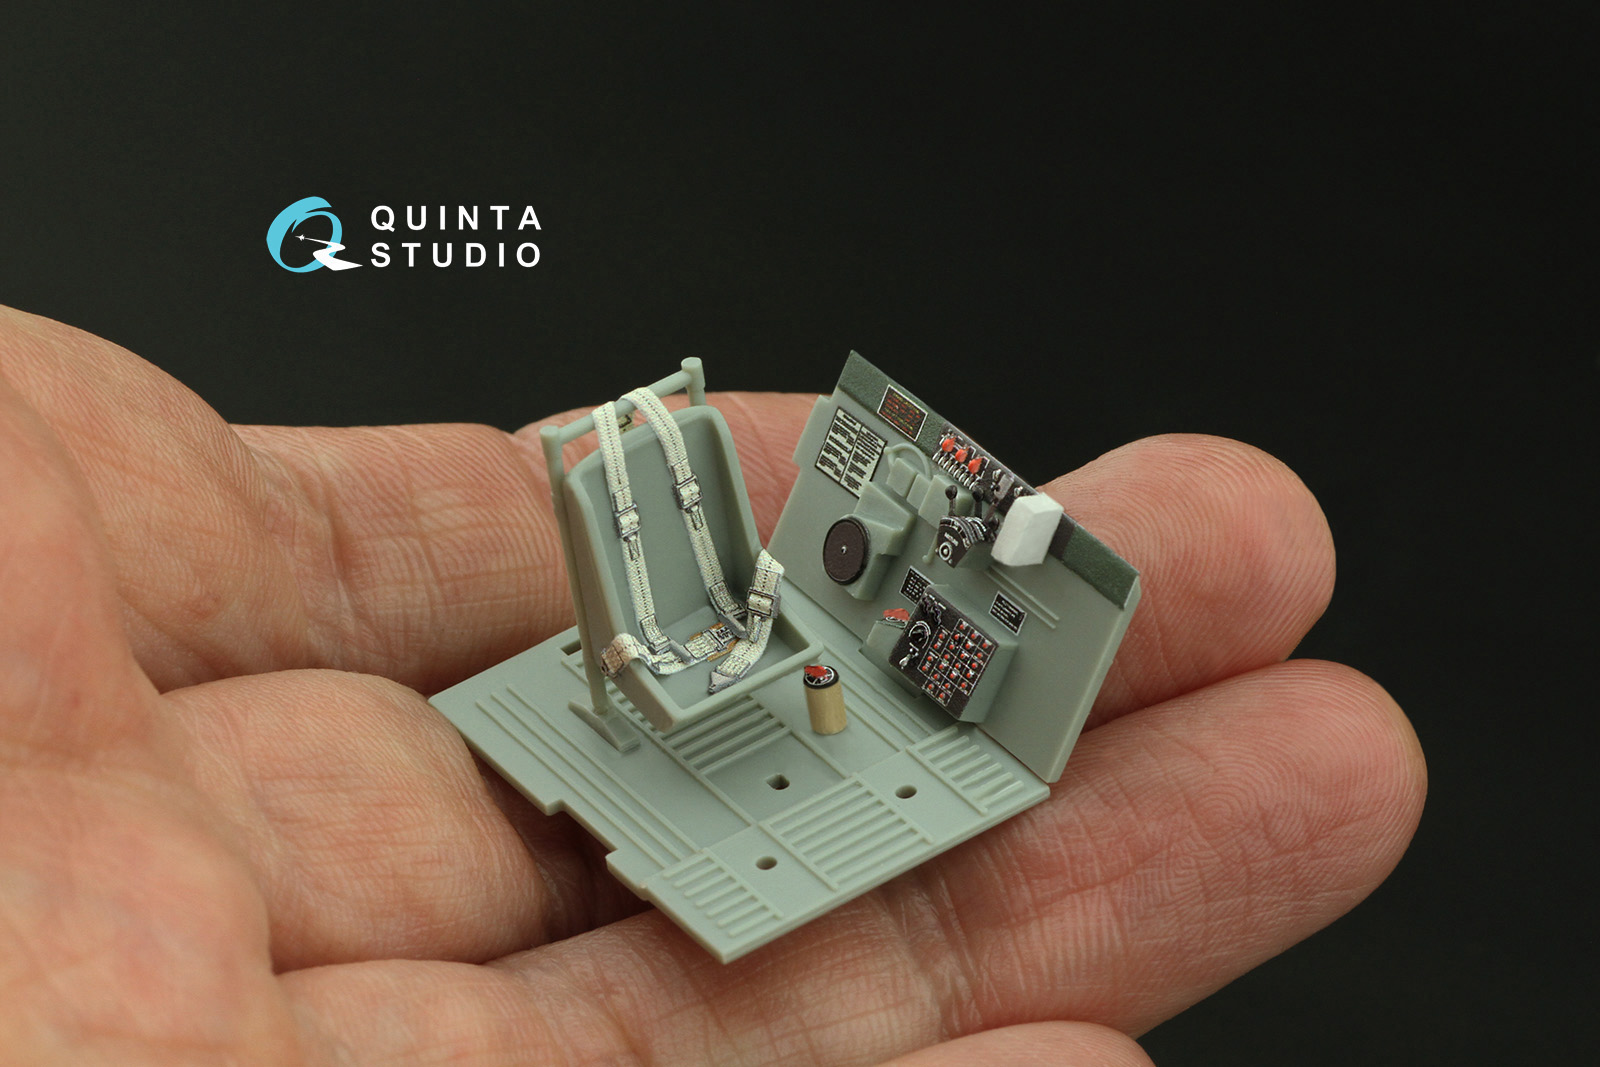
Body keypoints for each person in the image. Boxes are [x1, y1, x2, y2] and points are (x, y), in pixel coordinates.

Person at [0, 304, 1425, 1066]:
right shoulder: (707, 561)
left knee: (827, 648)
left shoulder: (859, 594)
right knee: (777, 646)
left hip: (765, 640)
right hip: (694, 651)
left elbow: (823, 593)